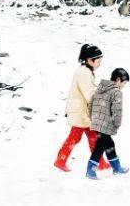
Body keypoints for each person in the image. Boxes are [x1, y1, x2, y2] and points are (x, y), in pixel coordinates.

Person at [53, 43, 110, 172]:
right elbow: (89, 93)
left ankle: (100, 162)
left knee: (93, 138)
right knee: (76, 137)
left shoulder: (85, 71)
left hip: (84, 113)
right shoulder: (84, 73)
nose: (99, 64)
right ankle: (60, 160)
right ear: (90, 60)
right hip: (80, 112)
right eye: (98, 62)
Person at [86, 67, 130, 179]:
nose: (123, 86)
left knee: (109, 144)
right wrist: (117, 123)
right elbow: (117, 110)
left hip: (97, 122)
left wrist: (94, 119)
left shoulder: (100, 89)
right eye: (124, 83)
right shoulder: (116, 92)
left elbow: (90, 105)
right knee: (100, 147)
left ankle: (116, 167)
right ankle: (90, 171)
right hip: (106, 124)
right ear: (118, 80)